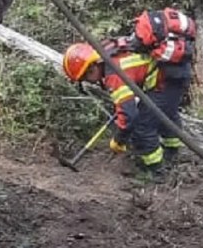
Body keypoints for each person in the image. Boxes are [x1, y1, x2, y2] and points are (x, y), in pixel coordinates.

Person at [62, 38, 165, 178]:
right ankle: (164, 155)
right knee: (143, 122)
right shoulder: (108, 57)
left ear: (91, 69)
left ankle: (157, 172)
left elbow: (130, 117)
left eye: (85, 78)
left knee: (142, 126)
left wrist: (118, 139)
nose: (88, 82)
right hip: (159, 77)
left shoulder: (113, 75)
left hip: (163, 81)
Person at [127, 7, 196, 165]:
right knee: (169, 117)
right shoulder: (173, 42)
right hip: (177, 78)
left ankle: (153, 169)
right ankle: (172, 154)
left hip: (167, 83)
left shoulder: (153, 40)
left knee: (143, 125)